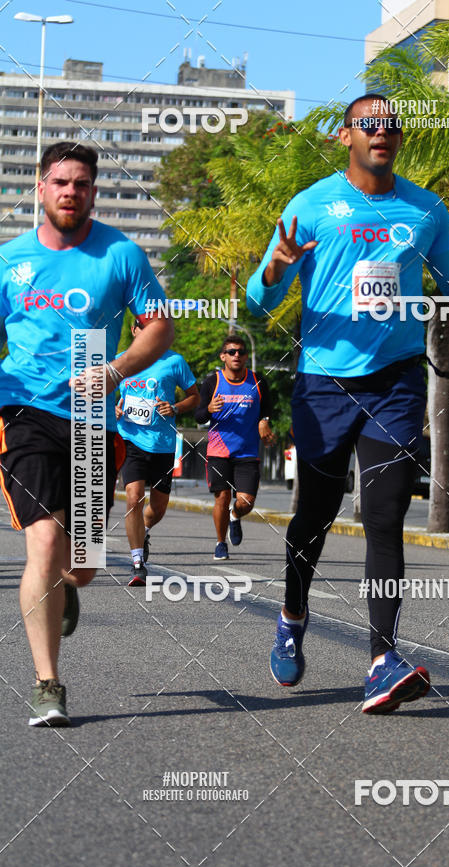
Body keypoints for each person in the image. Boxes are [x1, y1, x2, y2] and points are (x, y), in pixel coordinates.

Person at [246, 94, 449, 714]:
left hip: (397, 382)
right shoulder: (311, 206)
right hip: (323, 383)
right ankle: (292, 618)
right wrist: (276, 269)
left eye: (391, 125)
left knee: (384, 513)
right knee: (315, 515)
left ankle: (382, 660)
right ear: (345, 136)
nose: (382, 132)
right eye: (368, 124)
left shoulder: (426, 209)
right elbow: (258, 304)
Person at [0, 142, 173, 726]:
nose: (70, 191)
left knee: (83, 565)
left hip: (95, 416)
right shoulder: (10, 260)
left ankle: (65, 586)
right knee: (44, 544)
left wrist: (114, 370)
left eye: (81, 183)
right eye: (60, 181)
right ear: (41, 189)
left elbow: (159, 329)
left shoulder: (120, 256)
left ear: (93, 192)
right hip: (23, 410)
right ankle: (49, 684)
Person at [115, 319, 199, 586]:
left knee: (158, 507)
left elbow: (195, 397)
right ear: (134, 330)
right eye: (142, 325)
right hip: (130, 439)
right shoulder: (119, 360)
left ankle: (145, 531)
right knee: (134, 497)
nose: (147, 330)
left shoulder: (174, 361)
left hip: (162, 443)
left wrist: (175, 408)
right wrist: (112, 409)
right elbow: (103, 393)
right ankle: (138, 562)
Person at [195, 335, 276, 560]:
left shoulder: (257, 381)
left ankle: (235, 515)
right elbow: (199, 415)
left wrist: (264, 422)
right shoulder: (212, 382)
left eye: (240, 351)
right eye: (231, 352)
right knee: (221, 496)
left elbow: (267, 410)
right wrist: (209, 408)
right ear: (223, 356)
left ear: (246, 356)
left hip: (247, 451)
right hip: (218, 451)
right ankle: (220, 543)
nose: (236, 355)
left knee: (246, 502)